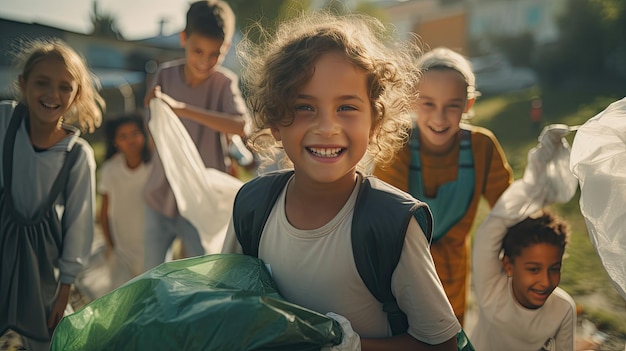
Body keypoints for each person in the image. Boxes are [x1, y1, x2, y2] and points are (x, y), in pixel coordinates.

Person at [222, 12, 461, 350]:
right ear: (276, 120)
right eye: (305, 107)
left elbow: (443, 343)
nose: (327, 127)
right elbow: (224, 310)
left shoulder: (390, 223)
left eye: (346, 107)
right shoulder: (251, 205)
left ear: (374, 121)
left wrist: (351, 345)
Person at [373, 47, 514, 325]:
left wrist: (537, 185)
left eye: (452, 105)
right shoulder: (397, 145)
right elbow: (386, 218)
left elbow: (509, 209)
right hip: (399, 276)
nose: (439, 117)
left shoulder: (481, 148)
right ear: (412, 101)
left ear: (468, 104)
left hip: (453, 279)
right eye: (428, 104)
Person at [0, 38, 104, 351]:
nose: (51, 94)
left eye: (64, 87)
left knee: (44, 340)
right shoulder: (5, 122)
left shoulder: (76, 155)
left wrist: (65, 287)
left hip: (42, 266)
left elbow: (79, 225)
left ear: (77, 94)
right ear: (23, 83)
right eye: (42, 83)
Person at [142, 0, 248, 270]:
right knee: (153, 276)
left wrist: (183, 109)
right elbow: (152, 128)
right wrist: (152, 107)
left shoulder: (224, 83)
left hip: (202, 203)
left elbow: (242, 126)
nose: (205, 61)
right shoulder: (165, 75)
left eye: (216, 54)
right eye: (198, 51)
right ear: (183, 39)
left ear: (225, 49)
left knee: (199, 278)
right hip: (160, 195)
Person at [471, 125, 578, 350]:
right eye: (533, 269)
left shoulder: (563, 309)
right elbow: (493, 226)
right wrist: (538, 174)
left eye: (554, 268)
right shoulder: (491, 288)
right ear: (508, 265)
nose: (546, 281)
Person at [98, 114, 153, 291]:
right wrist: (111, 247)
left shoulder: (154, 168)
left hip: (152, 249)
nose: (130, 140)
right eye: (123, 136)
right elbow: (104, 213)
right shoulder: (110, 170)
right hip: (122, 252)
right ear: (115, 142)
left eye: (135, 133)